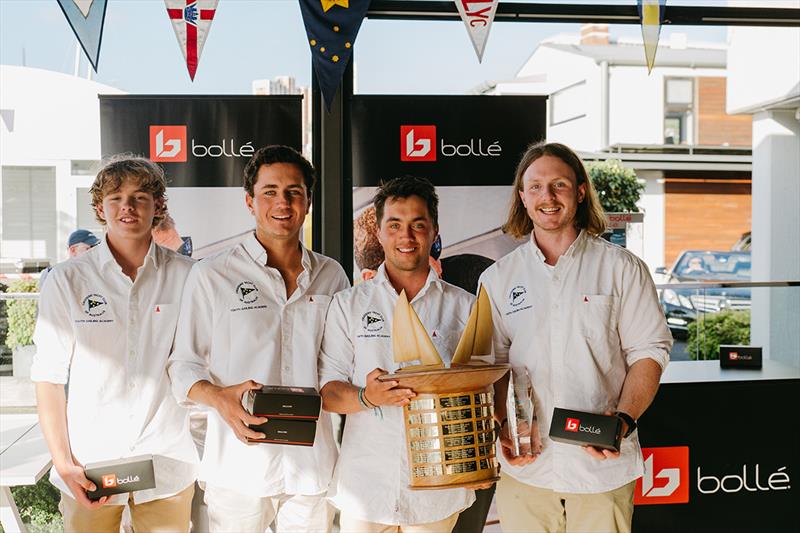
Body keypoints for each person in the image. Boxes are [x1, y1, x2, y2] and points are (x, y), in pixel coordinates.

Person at [479, 142, 672, 533]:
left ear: (580, 192)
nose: (546, 197)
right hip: (527, 469)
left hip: (601, 470)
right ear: (522, 197)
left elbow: (649, 352)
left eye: (559, 185)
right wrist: (504, 425)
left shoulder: (622, 269)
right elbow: (490, 366)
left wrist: (623, 419)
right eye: (535, 187)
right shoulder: (498, 279)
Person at [167, 145, 349, 532]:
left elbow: (342, 365)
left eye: (293, 192)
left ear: (308, 201)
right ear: (250, 201)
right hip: (238, 467)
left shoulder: (332, 276)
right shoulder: (212, 275)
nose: (282, 202)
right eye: (269, 192)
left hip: (310, 467)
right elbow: (182, 366)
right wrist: (218, 398)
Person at [31, 156, 197, 533]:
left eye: (140, 196)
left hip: (166, 462)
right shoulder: (67, 280)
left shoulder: (189, 276)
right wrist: (64, 463)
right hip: (90, 466)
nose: (128, 206)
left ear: (158, 206)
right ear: (100, 207)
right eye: (116, 197)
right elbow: (49, 378)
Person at [319, 176, 478, 533]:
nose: (406, 237)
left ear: (435, 230)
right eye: (395, 225)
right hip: (365, 487)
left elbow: (480, 393)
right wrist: (366, 396)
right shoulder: (348, 305)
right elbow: (328, 392)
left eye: (418, 225)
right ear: (378, 231)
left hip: (438, 489)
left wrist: (477, 461)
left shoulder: (464, 307)